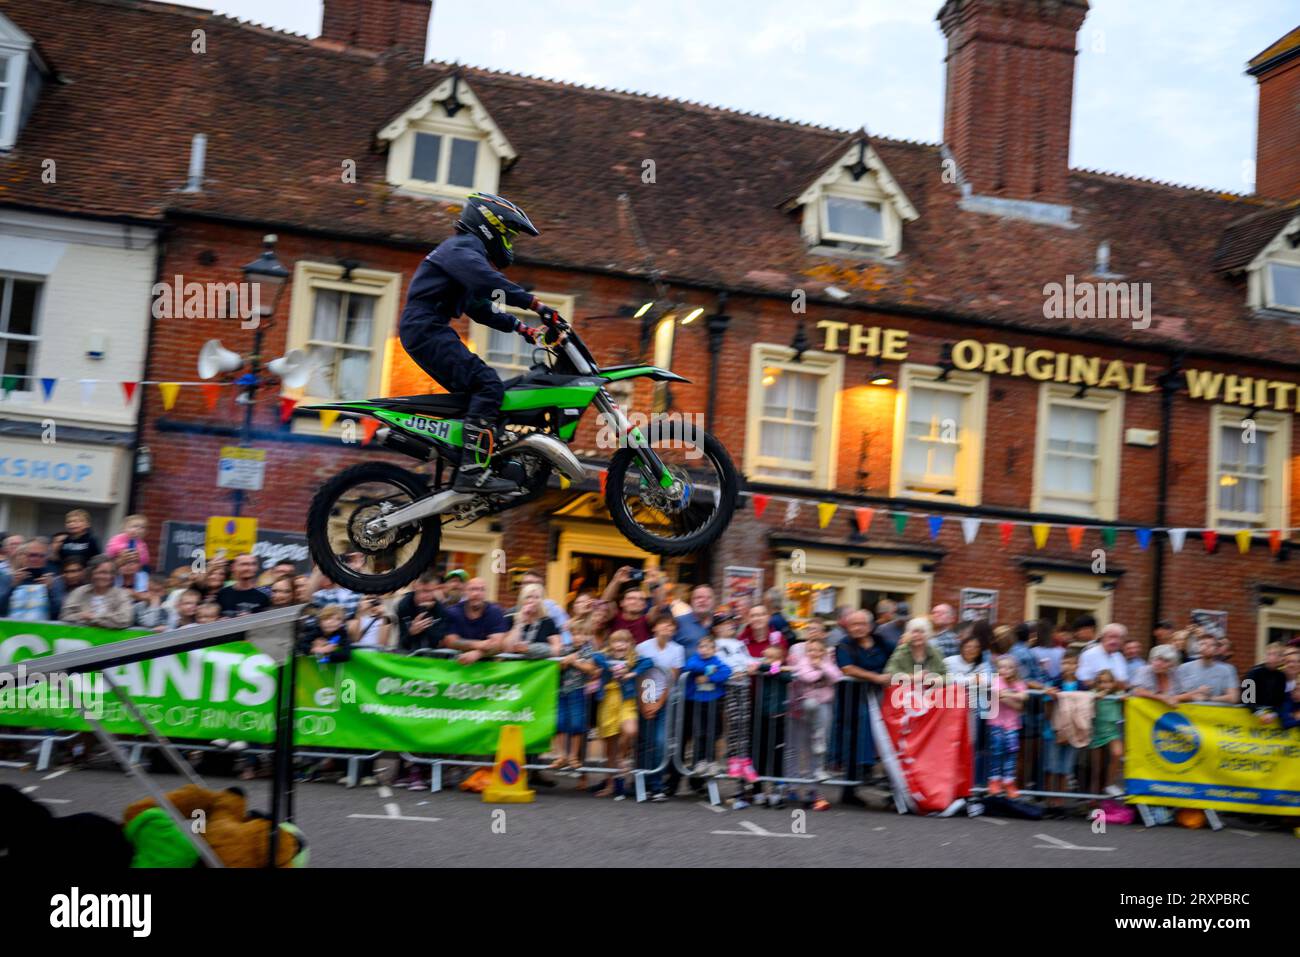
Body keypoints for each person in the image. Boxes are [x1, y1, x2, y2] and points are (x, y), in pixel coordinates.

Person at [397, 191, 562, 494]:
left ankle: (469, 457)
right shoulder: (462, 248)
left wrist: (523, 329)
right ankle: (472, 471)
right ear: (491, 226)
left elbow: (478, 306)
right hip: (426, 328)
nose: (509, 245)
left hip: (426, 328)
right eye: (508, 236)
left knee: (477, 395)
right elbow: (487, 282)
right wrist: (537, 305)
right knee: (488, 385)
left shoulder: (461, 254)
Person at [834, 609, 890, 806]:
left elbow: (896, 657)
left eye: (861, 624)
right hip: (853, 701)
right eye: (853, 624)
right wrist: (876, 677)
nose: (857, 628)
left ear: (871, 625)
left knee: (889, 740)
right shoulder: (844, 645)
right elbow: (847, 668)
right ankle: (850, 789)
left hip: (882, 699)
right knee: (853, 742)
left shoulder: (882, 642)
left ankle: (892, 788)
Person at [787, 636, 841, 802]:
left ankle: (813, 788)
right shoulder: (803, 661)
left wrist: (822, 666)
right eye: (811, 650)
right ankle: (792, 786)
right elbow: (806, 677)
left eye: (818, 650)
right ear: (806, 651)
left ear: (823, 651)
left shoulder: (826, 662)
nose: (814, 653)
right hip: (804, 707)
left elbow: (837, 676)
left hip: (824, 705)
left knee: (817, 747)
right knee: (795, 746)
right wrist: (820, 672)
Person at [712, 612, 760, 795]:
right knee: (733, 723)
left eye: (731, 623)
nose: (730, 626)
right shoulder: (716, 644)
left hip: (744, 686)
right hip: (729, 687)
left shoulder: (740, 644)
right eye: (725, 624)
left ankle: (744, 760)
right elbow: (719, 663)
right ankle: (733, 759)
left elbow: (748, 660)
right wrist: (735, 672)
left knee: (743, 723)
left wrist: (758, 665)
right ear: (717, 628)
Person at [593, 629, 639, 799]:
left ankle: (622, 757)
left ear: (630, 644)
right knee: (609, 745)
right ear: (611, 645)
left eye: (624, 641)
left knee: (630, 730)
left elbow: (648, 662)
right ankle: (610, 784)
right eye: (616, 641)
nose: (620, 645)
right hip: (608, 700)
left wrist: (630, 670)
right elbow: (596, 657)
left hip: (626, 701)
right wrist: (612, 666)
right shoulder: (604, 657)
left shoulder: (635, 659)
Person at [1042, 651, 1089, 818]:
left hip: (1073, 733)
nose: (1068, 667)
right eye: (1065, 663)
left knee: (1064, 769)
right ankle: (1049, 802)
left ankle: (1060, 802)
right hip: (1053, 732)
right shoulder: (1054, 683)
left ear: (1077, 665)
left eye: (1071, 663)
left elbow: (1086, 710)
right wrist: (1055, 729)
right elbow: (1047, 710)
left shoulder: (1083, 686)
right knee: (1051, 768)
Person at [553, 618, 601, 771]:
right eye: (575, 634)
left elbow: (590, 668)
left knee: (576, 724)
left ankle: (573, 755)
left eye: (582, 634)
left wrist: (574, 662)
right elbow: (557, 667)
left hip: (578, 691)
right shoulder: (565, 648)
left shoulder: (588, 650)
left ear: (587, 635)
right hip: (561, 691)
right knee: (559, 722)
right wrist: (565, 662)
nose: (578, 637)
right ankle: (561, 754)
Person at [681, 635, 733, 776]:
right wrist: (708, 669)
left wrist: (709, 677)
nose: (704, 650)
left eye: (708, 647)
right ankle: (699, 761)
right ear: (697, 649)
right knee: (699, 732)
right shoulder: (694, 659)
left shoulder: (718, 661)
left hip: (713, 701)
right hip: (697, 702)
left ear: (714, 650)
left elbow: (727, 672)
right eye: (701, 647)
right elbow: (690, 667)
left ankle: (711, 762)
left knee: (713, 733)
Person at [440, 577, 510, 664]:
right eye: (472, 589)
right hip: (456, 663)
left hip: (487, 665)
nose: (476, 593)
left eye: (481, 590)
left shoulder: (495, 611)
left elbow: (498, 644)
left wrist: (477, 654)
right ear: (465, 591)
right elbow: (450, 641)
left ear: (486, 593)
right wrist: (477, 644)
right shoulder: (453, 611)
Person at [986, 655, 1028, 798]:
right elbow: (998, 694)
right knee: (997, 751)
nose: (1005, 670)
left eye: (1009, 667)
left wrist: (1007, 696)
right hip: (996, 723)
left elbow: (1023, 698)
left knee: (1011, 752)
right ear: (998, 669)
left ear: (1014, 669)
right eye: (1002, 667)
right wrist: (1013, 698)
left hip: (1012, 725)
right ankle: (995, 780)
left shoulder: (1019, 683)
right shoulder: (996, 681)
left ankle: (1009, 781)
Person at [60, 556, 133, 629]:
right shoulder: (79, 592)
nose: (107, 576)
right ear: (91, 573)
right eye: (101, 572)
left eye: (110, 573)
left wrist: (93, 617)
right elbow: (65, 616)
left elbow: (125, 620)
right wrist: (81, 615)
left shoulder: (121, 594)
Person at [0, 539, 64, 621]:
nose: (36, 559)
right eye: (32, 555)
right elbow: (1, 610)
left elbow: (58, 614)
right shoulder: (8, 578)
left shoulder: (54, 581)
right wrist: (12, 587)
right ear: (21, 556)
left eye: (41, 556)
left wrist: (49, 591)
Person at [1089, 669, 1124, 796]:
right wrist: (1095, 697)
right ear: (1097, 684)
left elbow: (1127, 698)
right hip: (1095, 732)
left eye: (1109, 682)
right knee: (1096, 770)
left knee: (1117, 753)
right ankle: (1093, 800)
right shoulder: (1093, 693)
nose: (1105, 685)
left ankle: (1110, 784)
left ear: (1114, 683)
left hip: (1112, 732)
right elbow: (1086, 700)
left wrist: (1124, 699)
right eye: (1102, 682)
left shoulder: (1117, 694)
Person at [504, 583, 563, 658]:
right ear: (522, 600)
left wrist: (531, 649)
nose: (532, 601)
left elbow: (557, 650)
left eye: (536, 597)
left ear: (541, 601)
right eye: (528, 597)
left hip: (538, 668)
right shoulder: (510, 618)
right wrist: (519, 622)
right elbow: (507, 648)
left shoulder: (547, 621)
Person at [395, 571, 447, 653]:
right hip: (408, 655)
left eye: (431, 591)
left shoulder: (440, 608)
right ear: (415, 587)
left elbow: (439, 642)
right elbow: (403, 642)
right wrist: (411, 632)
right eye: (423, 591)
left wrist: (426, 614)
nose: (426, 596)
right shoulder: (404, 605)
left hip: (433, 657)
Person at [1177, 637, 1239, 704]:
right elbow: (1175, 697)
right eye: (1203, 644)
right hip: (1187, 712)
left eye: (1212, 645)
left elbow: (1233, 698)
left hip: (1216, 712)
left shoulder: (1227, 669)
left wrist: (1209, 698)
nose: (1207, 646)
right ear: (1197, 647)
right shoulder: (1184, 668)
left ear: (1216, 649)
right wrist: (1196, 693)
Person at [1241, 642, 1289, 725]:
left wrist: (1273, 714)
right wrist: (1260, 713)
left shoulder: (1282, 676)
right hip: (1252, 718)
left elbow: (1280, 701)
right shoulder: (1252, 672)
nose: (1271, 657)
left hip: (1271, 720)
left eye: (1276, 654)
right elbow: (1246, 698)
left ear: (1281, 658)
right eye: (1269, 654)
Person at [217, 553, 272, 618]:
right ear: (232, 567)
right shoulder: (222, 594)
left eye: (253, 564)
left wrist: (252, 619)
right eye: (244, 564)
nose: (249, 568)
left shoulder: (265, 595)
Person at [1077, 622, 1130, 688]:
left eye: (1119, 638)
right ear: (1102, 638)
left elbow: (1124, 681)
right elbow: (1083, 680)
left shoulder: (1119, 657)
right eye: (1111, 637)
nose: (1114, 641)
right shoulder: (1089, 655)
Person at [672, 584, 716, 658]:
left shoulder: (720, 623)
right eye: (698, 597)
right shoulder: (678, 622)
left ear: (714, 602)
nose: (702, 600)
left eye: (708, 598)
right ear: (691, 602)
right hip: (687, 669)